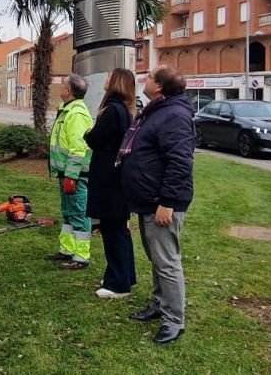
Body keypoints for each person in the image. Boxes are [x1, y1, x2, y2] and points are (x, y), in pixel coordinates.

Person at [118, 65, 195, 345]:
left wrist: (167, 202)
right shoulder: (157, 110)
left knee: (166, 261)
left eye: (149, 77)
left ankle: (174, 320)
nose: (145, 79)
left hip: (161, 202)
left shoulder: (174, 115)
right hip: (147, 199)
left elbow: (180, 162)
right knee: (157, 258)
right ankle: (159, 304)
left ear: (159, 86)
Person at [84, 68, 137, 299]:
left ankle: (118, 284)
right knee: (118, 229)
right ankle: (123, 275)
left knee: (113, 230)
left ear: (116, 82)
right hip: (116, 179)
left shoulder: (112, 110)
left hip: (109, 180)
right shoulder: (123, 109)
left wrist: (88, 134)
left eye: (109, 77)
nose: (105, 80)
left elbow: (95, 138)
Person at [46, 74, 92, 270]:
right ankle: (66, 249)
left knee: (79, 213)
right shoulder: (67, 110)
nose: (60, 87)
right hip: (65, 173)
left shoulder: (76, 114)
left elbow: (79, 148)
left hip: (75, 175)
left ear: (69, 91)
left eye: (63, 85)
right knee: (68, 213)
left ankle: (81, 256)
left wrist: (72, 176)